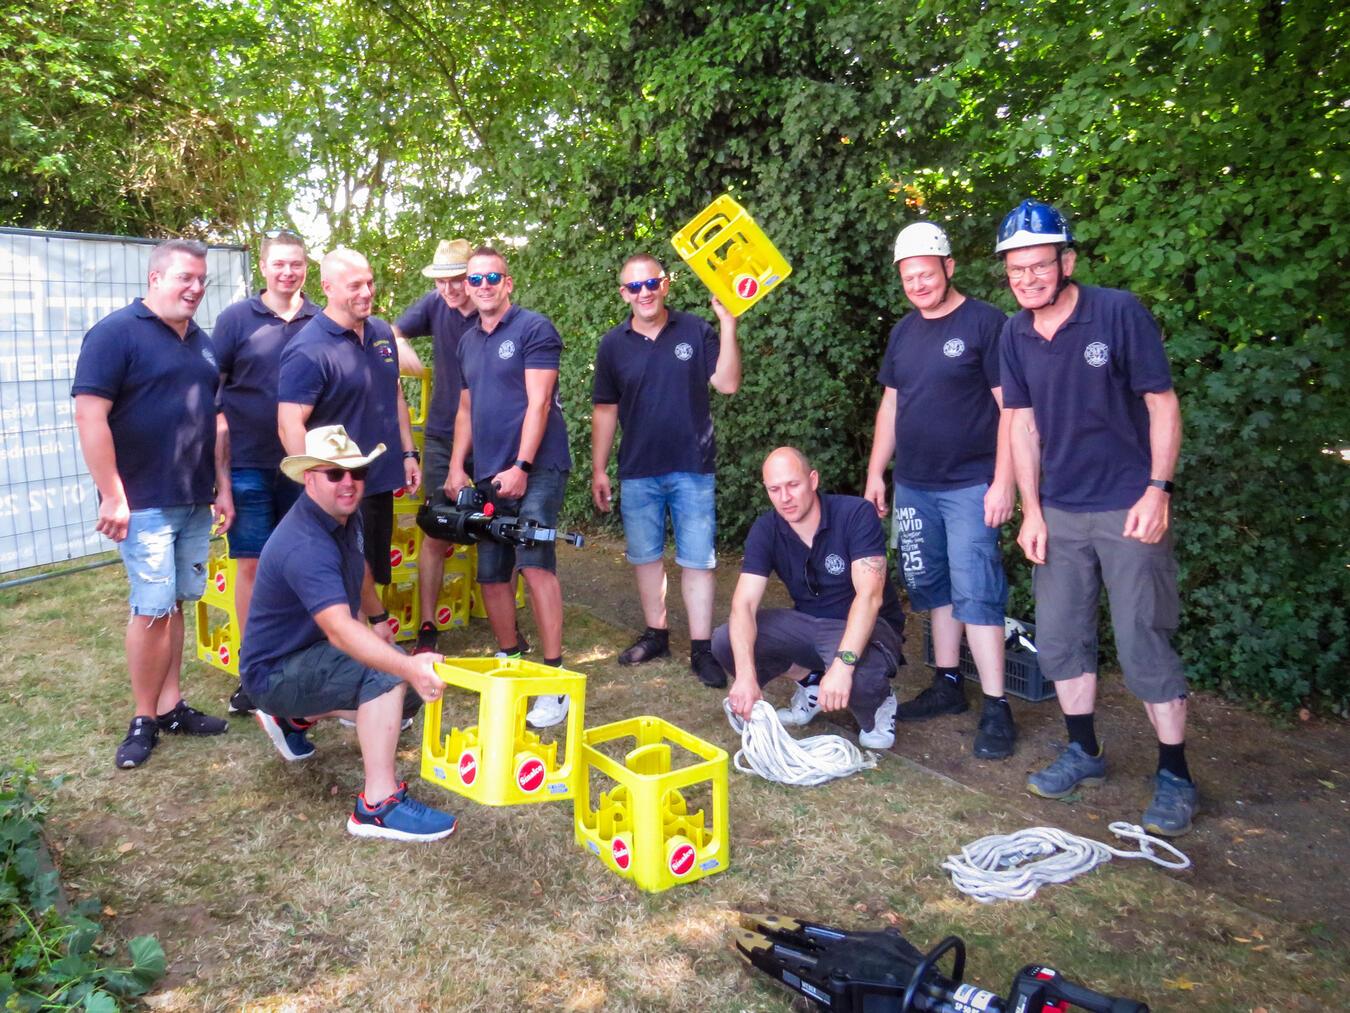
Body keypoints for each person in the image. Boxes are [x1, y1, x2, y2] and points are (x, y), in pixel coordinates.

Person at [996, 198, 1196, 836]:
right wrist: (1031, 510)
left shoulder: (1118, 312)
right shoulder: (1014, 334)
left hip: (1128, 506)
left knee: (1142, 639)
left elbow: (1163, 405)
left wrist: (1158, 490)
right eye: (1015, 269)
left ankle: (1175, 775)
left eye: (1039, 265)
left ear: (1067, 262)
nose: (1028, 278)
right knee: (1060, 639)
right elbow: (1022, 425)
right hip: (1059, 512)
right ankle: (1084, 751)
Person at [240, 425, 457, 841]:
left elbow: (359, 570)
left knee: (408, 695)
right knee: (389, 676)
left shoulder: (343, 516)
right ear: (309, 479)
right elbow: (340, 631)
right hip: (273, 672)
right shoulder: (304, 542)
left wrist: (379, 620)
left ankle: (291, 719)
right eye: (334, 473)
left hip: (307, 653)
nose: (349, 483)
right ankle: (377, 806)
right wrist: (406, 665)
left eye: (356, 473)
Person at [72, 238, 233, 769]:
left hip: (193, 497)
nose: (196, 287)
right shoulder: (115, 334)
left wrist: (221, 487)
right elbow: (89, 416)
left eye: (202, 279)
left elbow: (215, 422)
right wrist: (113, 494)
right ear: (155, 278)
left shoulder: (202, 343)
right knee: (151, 608)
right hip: (142, 502)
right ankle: (143, 718)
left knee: (176, 603)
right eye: (185, 277)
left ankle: (170, 706)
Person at [864, 222, 1017, 760]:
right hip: (914, 484)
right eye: (908, 277)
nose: (918, 285)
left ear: (949, 267)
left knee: (977, 590)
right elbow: (891, 405)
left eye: (926, 274)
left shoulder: (985, 323)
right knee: (933, 588)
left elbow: (1012, 409)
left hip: (971, 485)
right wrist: (876, 473)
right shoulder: (904, 332)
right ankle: (948, 683)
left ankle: (997, 705)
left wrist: (1005, 480)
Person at [592, 253, 741, 688]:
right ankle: (656, 635)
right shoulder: (612, 345)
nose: (645, 293)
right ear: (624, 294)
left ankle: (702, 649)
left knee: (698, 560)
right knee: (645, 558)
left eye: (651, 283)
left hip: (693, 466)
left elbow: (727, 383)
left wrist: (728, 324)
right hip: (638, 468)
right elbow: (605, 410)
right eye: (634, 287)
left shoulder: (696, 329)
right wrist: (599, 469)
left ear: (666, 284)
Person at [448, 247, 572, 728]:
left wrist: (521, 465)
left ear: (508, 282)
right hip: (488, 472)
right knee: (492, 574)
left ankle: (554, 679)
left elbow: (539, 403)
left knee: (534, 563)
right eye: (475, 278)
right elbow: (465, 410)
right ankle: (512, 661)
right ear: (468, 285)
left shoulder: (534, 328)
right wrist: (456, 466)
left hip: (537, 468)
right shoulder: (466, 342)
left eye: (492, 277)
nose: (484, 285)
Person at [716, 448, 904, 749]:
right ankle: (811, 683)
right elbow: (744, 605)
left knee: (860, 681)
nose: (785, 498)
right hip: (808, 625)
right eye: (774, 489)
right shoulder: (766, 529)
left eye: (793, 485)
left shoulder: (855, 514)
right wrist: (746, 677)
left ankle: (879, 703)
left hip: (868, 627)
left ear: (813, 480)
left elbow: (869, 597)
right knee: (726, 640)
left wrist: (842, 666)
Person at [277, 248, 422, 639]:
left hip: (378, 477)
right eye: (355, 285)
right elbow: (289, 423)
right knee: (346, 575)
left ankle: (372, 647)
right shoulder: (309, 349)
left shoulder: (381, 333)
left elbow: (394, 394)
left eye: (370, 282)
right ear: (327, 287)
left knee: (373, 568)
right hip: (338, 484)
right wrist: (314, 481)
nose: (367, 292)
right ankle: (357, 656)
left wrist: (408, 452)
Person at [212, 230, 320, 715]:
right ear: (263, 267)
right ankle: (253, 673)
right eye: (279, 263)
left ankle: (300, 664)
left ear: (306, 268)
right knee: (252, 566)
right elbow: (212, 391)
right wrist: (218, 473)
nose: (287, 272)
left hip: (306, 465)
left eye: (295, 264)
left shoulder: (322, 320)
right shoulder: (235, 319)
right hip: (249, 462)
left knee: (303, 565)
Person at [392, 238, 480, 655]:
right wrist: (402, 345)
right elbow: (391, 330)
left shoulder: (492, 308)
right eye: (441, 281)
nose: (449, 289)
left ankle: (504, 621)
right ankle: (428, 626)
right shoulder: (434, 304)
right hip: (444, 432)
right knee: (435, 526)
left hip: (492, 434)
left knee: (499, 524)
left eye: (457, 280)